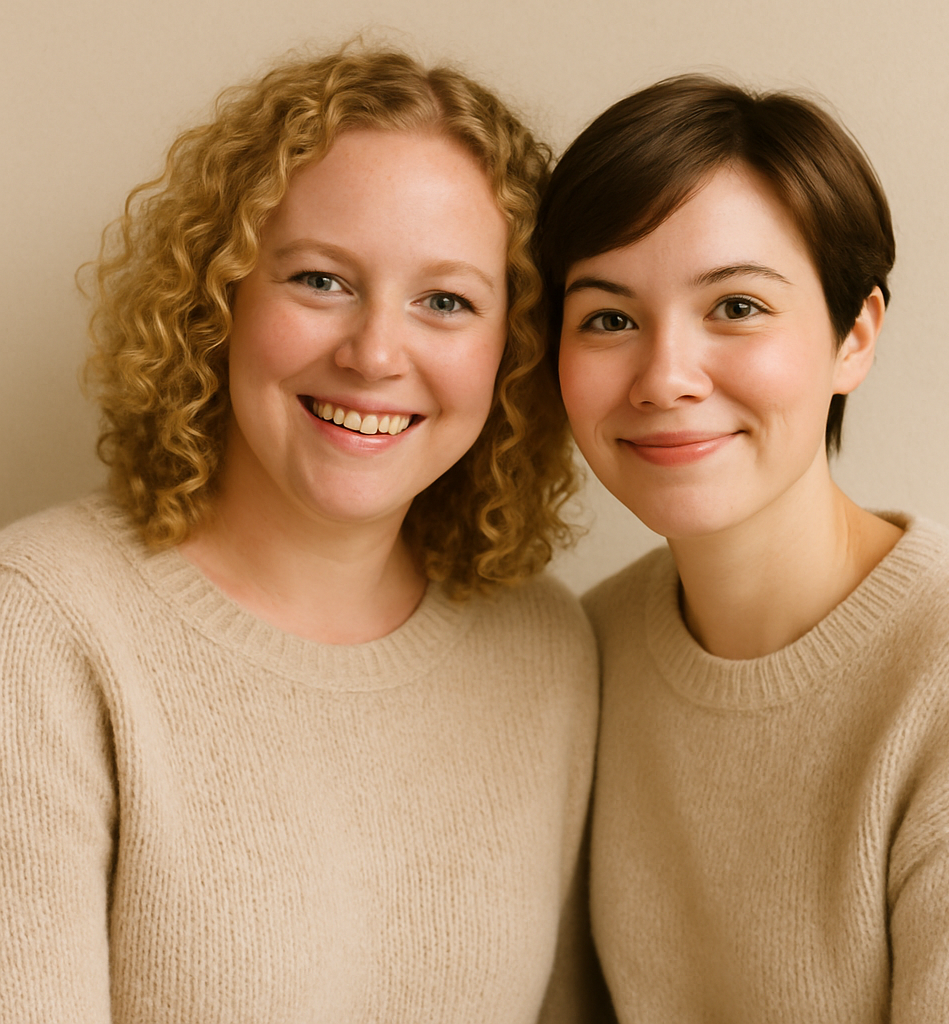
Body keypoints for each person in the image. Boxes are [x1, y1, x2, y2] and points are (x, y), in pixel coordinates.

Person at [0, 43, 602, 1023]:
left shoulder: (548, 647)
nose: (373, 353)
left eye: (445, 301)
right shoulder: (40, 624)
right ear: (220, 298)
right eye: (321, 279)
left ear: (514, 351)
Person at [536, 74, 949, 1022]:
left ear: (855, 336)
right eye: (608, 318)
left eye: (737, 308)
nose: (665, 376)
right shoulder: (590, 647)